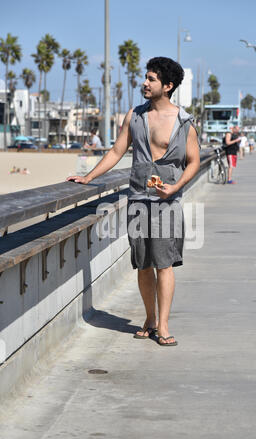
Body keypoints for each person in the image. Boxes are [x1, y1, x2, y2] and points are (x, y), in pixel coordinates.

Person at [67, 57, 200, 346]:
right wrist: (88, 178)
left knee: (164, 264)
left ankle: (163, 325)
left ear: (168, 86)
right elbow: (116, 151)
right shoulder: (135, 116)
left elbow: (193, 161)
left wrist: (175, 186)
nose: (144, 83)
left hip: (166, 204)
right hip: (137, 201)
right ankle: (150, 318)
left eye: (151, 79)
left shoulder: (183, 122)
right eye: (145, 77)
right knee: (142, 264)